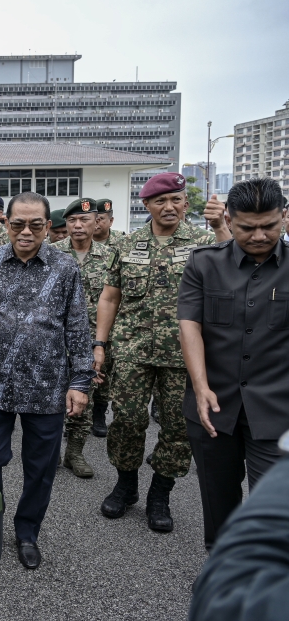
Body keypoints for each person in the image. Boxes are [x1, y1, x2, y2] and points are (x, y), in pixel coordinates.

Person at [0, 191, 93, 569]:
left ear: (49, 226)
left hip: (47, 387)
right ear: (6, 223)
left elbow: (78, 329)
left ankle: (28, 531)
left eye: (36, 224)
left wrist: (80, 382)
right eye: (18, 224)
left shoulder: (65, 268)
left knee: (40, 468)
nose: (26, 232)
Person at [94, 172, 228, 533]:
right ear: (147, 205)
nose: (169, 207)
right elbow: (110, 297)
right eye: (160, 201)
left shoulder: (205, 242)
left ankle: (160, 493)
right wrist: (100, 344)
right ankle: (125, 484)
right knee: (126, 420)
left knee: (178, 427)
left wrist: (220, 227)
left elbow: (235, 268)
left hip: (185, 356)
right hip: (133, 349)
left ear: (185, 203)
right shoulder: (128, 244)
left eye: (176, 199)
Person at [178, 177, 289, 549]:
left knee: (271, 506)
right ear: (229, 218)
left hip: (277, 409)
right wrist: (200, 387)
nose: (258, 235)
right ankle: (222, 568)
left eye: (268, 226)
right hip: (214, 405)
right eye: (246, 227)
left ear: (284, 218)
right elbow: (190, 324)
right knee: (217, 498)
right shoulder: (203, 264)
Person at [187, 431, 289, 621]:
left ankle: (231, 573)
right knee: (215, 491)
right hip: (215, 411)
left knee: (270, 526)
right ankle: (219, 565)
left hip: (276, 412)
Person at [52, 197, 114, 478]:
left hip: (90, 340)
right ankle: (50, 450)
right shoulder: (50, 254)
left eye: (85, 220)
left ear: (96, 223)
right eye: (72, 221)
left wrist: (100, 344)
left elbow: (115, 300)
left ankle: (74, 453)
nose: (78, 226)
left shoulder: (111, 256)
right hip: (54, 338)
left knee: (83, 397)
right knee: (50, 397)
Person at [90, 198, 124, 436]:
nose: (98, 222)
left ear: (110, 220)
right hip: (84, 320)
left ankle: (99, 413)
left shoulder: (122, 243)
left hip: (111, 320)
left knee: (107, 369)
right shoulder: (79, 243)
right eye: (96, 218)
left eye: (102, 218)